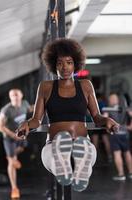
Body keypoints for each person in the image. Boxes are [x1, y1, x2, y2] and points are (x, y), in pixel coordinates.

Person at [16, 38, 119, 192]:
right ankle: (62, 165)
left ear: (75, 64)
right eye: (59, 63)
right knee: (53, 156)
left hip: (81, 141)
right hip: (54, 142)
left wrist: (107, 120)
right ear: (53, 65)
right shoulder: (46, 87)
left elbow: (96, 116)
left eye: (69, 62)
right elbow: (37, 120)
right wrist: (26, 124)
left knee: (87, 153)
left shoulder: (85, 85)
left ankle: (79, 169)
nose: (64, 67)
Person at [0, 89, 32, 199]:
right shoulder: (6, 110)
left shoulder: (24, 104)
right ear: (10, 97)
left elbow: (31, 108)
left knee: (23, 148)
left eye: (17, 95)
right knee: (12, 162)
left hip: (21, 136)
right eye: (12, 95)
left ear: (21, 96)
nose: (15, 97)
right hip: (10, 138)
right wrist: (13, 135)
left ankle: (12, 157)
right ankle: (14, 188)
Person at [103, 93, 132, 181]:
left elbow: (104, 119)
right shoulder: (125, 109)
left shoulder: (108, 109)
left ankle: (121, 174)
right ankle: (131, 173)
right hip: (125, 133)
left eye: (111, 99)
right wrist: (130, 126)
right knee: (127, 153)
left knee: (117, 154)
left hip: (115, 134)